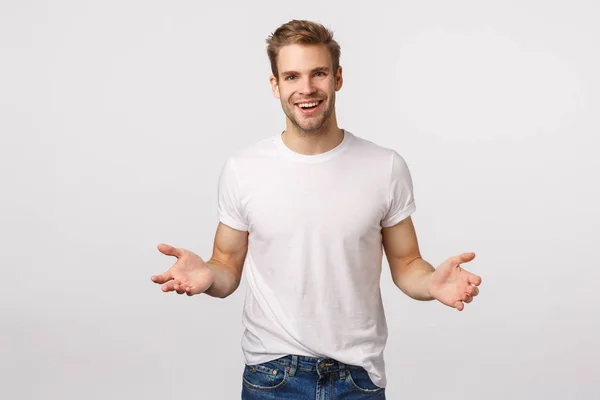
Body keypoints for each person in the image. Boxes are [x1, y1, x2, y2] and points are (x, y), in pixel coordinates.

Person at [151, 19, 482, 400]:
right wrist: (208, 276)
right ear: (275, 85)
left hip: (358, 379)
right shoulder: (243, 169)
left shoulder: (385, 166)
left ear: (337, 78)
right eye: (291, 76)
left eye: (318, 73)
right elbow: (226, 265)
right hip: (273, 376)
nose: (306, 89)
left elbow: (407, 264)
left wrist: (431, 283)